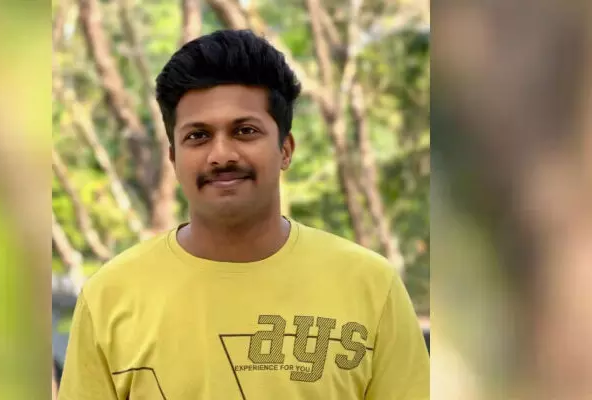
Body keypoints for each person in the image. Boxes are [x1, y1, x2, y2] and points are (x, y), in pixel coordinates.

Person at [57, 29, 429, 400]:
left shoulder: (370, 286)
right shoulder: (109, 297)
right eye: (198, 136)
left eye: (245, 131)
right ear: (173, 158)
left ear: (285, 150)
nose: (221, 155)